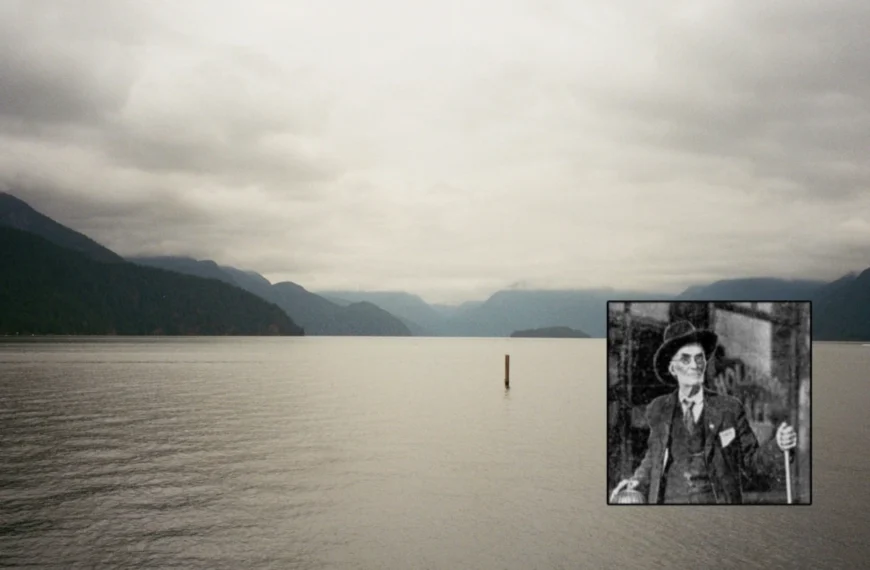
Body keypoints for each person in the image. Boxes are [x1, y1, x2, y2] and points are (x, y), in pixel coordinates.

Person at [610, 321, 797, 504]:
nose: (694, 365)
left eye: (699, 358)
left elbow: (751, 462)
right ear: (672, 368)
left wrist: (778, 446)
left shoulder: (729, 409)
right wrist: (637, 480)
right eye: (685, 359)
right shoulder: (660, 409)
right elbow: (654, 456)